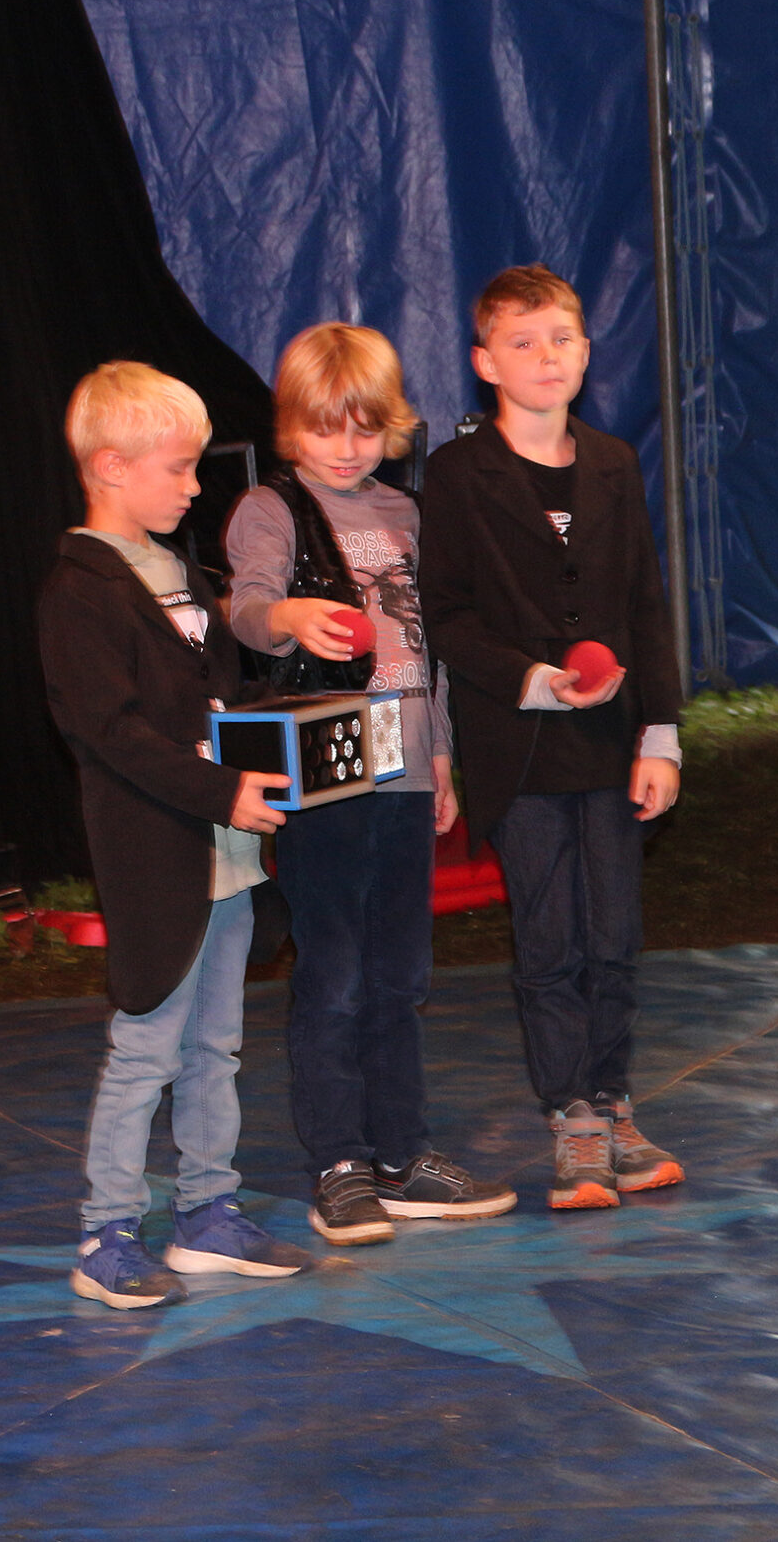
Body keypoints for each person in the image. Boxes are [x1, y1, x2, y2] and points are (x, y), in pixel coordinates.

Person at [223, 324, 517, 1246]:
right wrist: (288, 612)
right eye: (325, 428)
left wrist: (442, 758)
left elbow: (431, 653)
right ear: (290, 426)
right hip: (327, 773)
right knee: (336, 972)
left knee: (401, 974)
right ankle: (339, 1162)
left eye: (363, 428)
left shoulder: (409, 514)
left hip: (405, 768)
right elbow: (245, 607)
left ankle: (401, 1154)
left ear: (391, 425)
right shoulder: (270, 508)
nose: (346, 446)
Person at [38, 360, 318, 1307]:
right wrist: (220, 788)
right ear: (111, 466)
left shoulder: (181, 572)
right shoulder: (80, 590)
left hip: (228, 860)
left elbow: (222, 699)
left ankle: (207, 1213)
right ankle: (106, 1232)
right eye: (179, 468)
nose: (195, 487)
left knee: (216, 1047)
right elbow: (112, 733)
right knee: (147, 1048)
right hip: (159, 857)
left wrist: (300, 726)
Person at [418, 267, 687, 1212]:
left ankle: (613, 1103)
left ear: (586, 352)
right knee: (551, 941)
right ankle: (571, 1115)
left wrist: (661, 735)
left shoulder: (613, 462)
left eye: (561, 339)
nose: (546, 357)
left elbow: (644, 602)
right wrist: (532, 678)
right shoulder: (457, 475)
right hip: (521, 750)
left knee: (614, 936)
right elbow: (446, 615)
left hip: (611, 745)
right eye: (522, 342)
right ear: (486, 362)